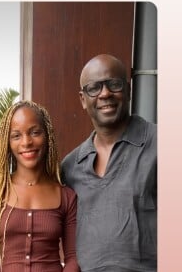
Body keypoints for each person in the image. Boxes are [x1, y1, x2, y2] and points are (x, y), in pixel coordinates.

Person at [61, 54, 157, 272]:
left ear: (129, 90)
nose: (105, 94)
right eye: (94, 88)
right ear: (83, 99)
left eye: (114, 84)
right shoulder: (70, 166)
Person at [0, 100, 80, 272]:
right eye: (16, 135)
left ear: (48, 136)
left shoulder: (66, 196)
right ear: (8, 142)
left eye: (35, 132)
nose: (26, 142)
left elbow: (73, 257)